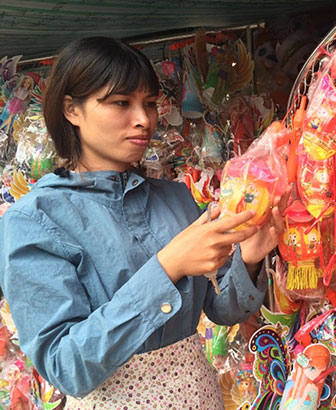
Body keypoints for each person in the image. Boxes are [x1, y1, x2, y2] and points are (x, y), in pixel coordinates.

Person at [0, 37, 288, 409]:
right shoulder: (35, 220)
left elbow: (220, 311)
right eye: (121, 103)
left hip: (201, 394)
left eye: (149, 104)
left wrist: (249, 256)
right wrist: (168, 267)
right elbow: (65, 367)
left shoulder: (175, 197)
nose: (144, 119)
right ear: (72, 109)